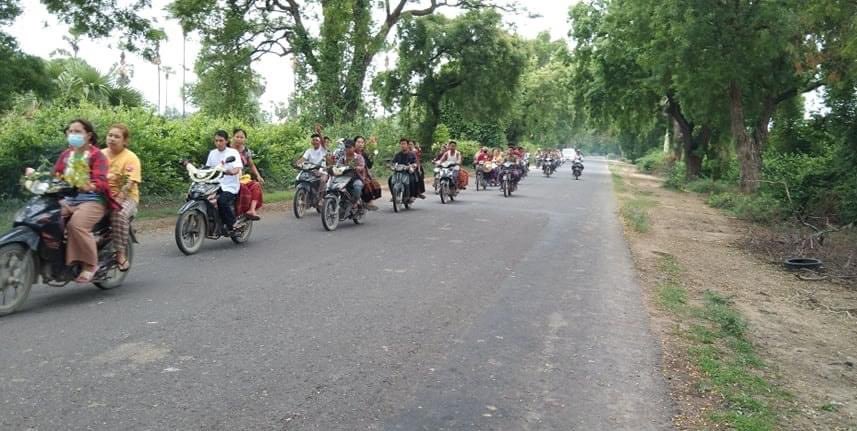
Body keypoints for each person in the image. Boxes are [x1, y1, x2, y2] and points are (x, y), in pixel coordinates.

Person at [52, 119, 113, 283]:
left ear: (88, 135)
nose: (73, 135)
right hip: (69, 199)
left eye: (77, 132)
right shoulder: (66, 155)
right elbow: (55, 175)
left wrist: (90, 186)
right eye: (70, 131)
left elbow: (101, 180)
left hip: (92, 200)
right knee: (48, 219)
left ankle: (90, 265)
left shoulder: (97, 155)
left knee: (76, 225)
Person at [102, 123, 141, 272]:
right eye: (110, 135)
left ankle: (120, 253)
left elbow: (130, 182)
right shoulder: (99, 154)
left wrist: (120, 196)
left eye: (116, 136)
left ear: (125, 141)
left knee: (118, 214)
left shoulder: (130, 158)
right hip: (100, 195)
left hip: (126, 197)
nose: (112, 139)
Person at [206, 130, 243, 234]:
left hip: (229, 186)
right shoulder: (212, 153)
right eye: (216, 140)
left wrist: (231, 172)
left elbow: (237, 168)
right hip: (214, 185)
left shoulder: (233, 152)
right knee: (198, 197)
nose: (218, 143)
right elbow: (208, 168)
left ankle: (233, 224)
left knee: (222, 201)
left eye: (221, 140)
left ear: (226, 141)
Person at [231, 128, 263, 221]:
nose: (239, 139)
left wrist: (258, 176)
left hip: (241, 177)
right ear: (233, 137)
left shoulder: (246, 151)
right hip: (227, 176)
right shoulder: (227, 148)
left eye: (242, 137)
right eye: (237, 136)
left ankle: (252, 210)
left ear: (245, 139)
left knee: (255, 185)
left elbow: (251, 165)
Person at [335, 139, 366, 209]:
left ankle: (355, 202)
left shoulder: (358, 157)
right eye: (346, 147)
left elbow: (362, 166)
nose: (347, 149)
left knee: (357, 186)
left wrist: (356, 167)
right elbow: (337, 166)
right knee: (335, 187)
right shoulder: (342, 158)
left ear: (354, 148)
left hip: (356, 178)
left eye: (349, 147)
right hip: (343, 178)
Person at [354, 135, 378, 211]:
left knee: (368, 183)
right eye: (358, 142)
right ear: (354, 143)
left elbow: (369, 165)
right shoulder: (351, 152)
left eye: (362, 142)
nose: (360, 144)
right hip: (351, 173)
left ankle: (367, 201)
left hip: (362, 174)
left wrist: (372, 156)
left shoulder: (365, 154)